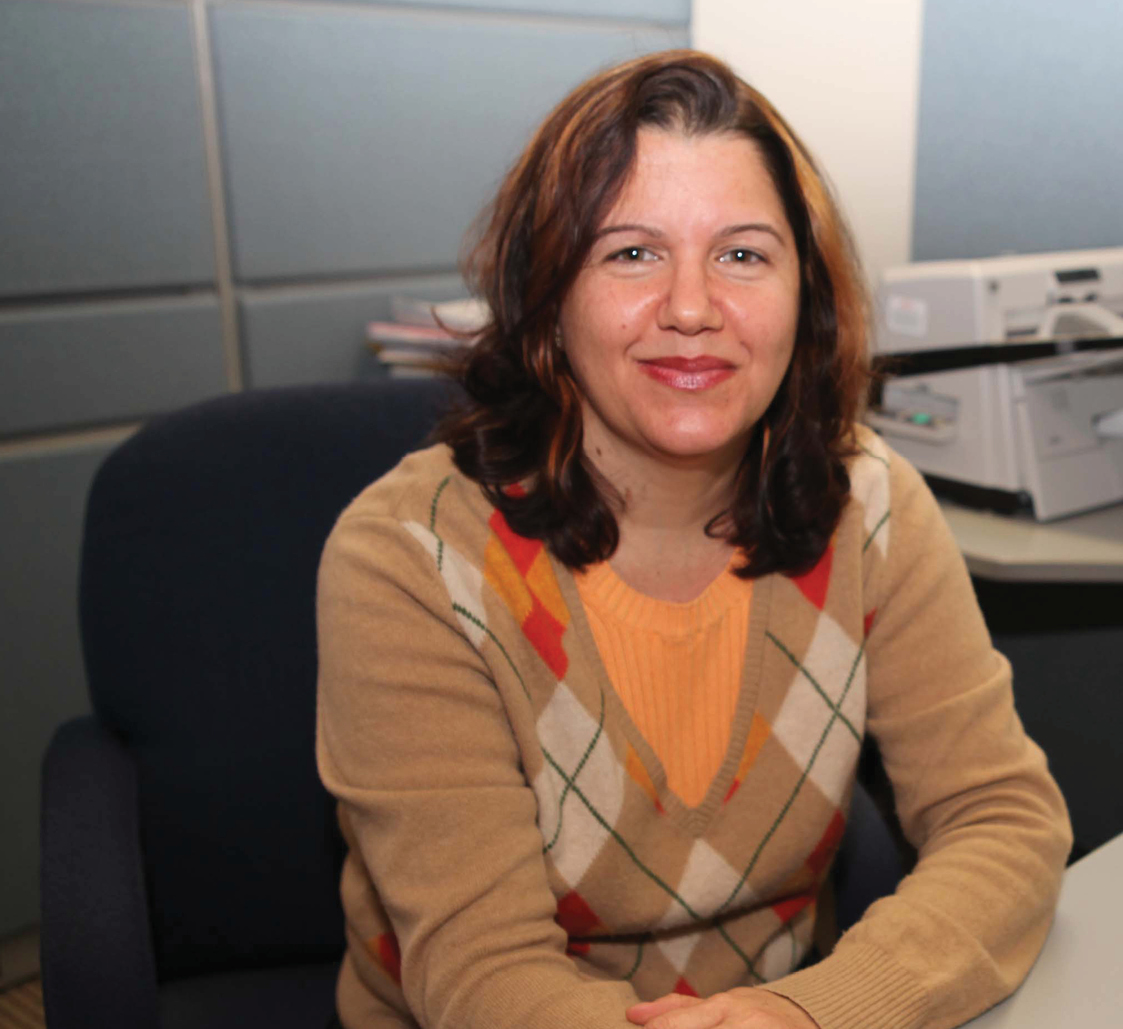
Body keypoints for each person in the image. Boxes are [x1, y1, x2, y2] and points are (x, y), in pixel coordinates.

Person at [316, 49, 1071, 1029]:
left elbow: (1000, 820)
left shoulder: (870, 506)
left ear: (806, 299)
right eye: (630, 252)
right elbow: (478, 969)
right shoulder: (410, 557)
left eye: (743, 254)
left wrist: (811, 1014)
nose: (689, 308)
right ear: (547, 303)